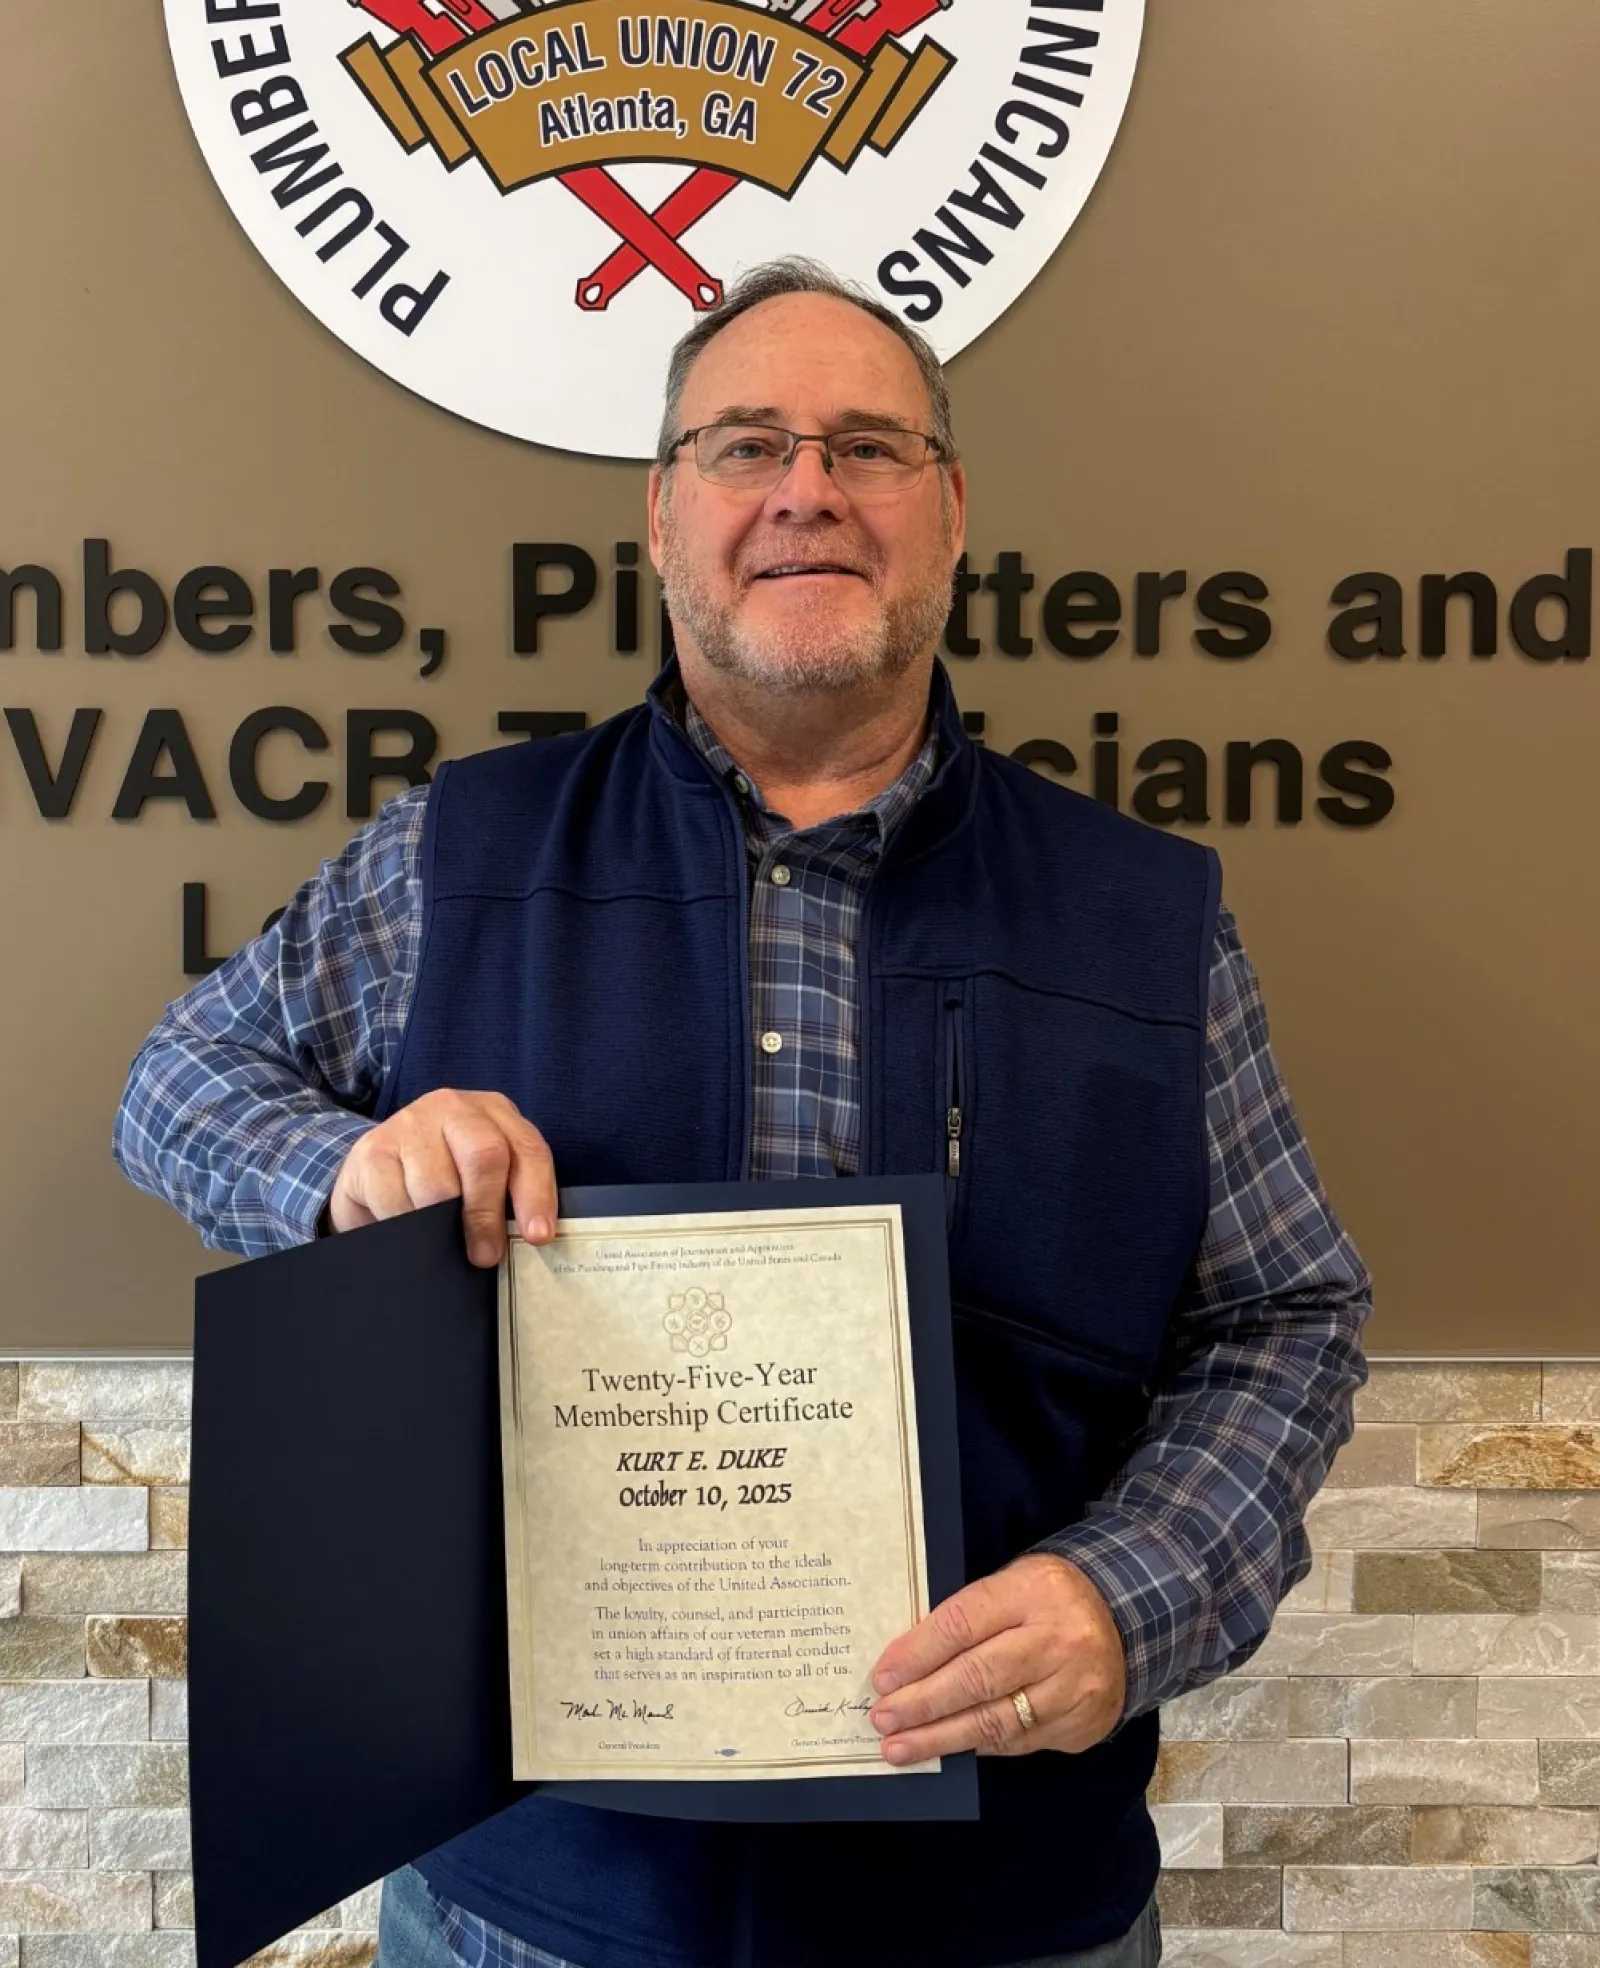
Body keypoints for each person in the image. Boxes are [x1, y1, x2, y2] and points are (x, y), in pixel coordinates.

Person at [115, 258, 1370, 1968]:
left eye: (867, 447)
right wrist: (347, 1168)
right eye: (747, 445)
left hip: (1004, 1914)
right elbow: (176, 1083)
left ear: (949, 509)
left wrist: (1128, 1598)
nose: (806, 491)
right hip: (526, 1905)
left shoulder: (1142, 910)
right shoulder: (458, 853)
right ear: (659, 514)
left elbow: (1283, 1320)